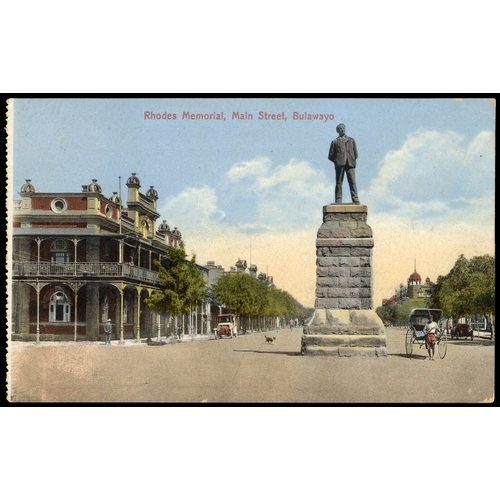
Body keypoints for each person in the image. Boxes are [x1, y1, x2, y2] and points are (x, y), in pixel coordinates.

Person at [328, 123, 360, 204]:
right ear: (337, 131)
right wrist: (338, 161)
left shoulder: (351, 140)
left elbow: (355, 153)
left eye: (343, 128)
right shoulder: (334, 142)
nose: (342, 130)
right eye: (340, 129)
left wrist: (351, 159)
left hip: (350, 164)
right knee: (339, 182)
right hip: (339, 165)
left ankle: (355, 199)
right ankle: (338, 200)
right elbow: (330, 156)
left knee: (352, 182)